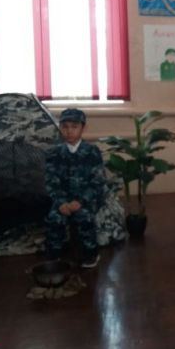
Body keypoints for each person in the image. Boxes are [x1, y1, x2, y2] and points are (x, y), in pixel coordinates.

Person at [44, 108, 106, 268]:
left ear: (83, 128)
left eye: (74, 126)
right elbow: (51, 182)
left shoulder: (92, 152)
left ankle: (90, 255)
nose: (69, 131)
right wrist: (61, 202)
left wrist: (80, 201)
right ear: (60, 128)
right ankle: (54, 256)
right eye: (65, 127)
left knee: (84, 217)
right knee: (54, 218)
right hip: (63, 199)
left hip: (86, 199)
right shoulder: (53, 153)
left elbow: (97, 181)